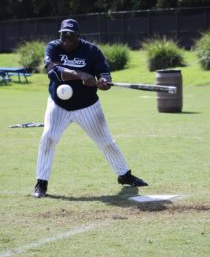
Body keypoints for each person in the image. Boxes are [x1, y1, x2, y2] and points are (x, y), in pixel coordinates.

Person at [33, 19, 148, 198]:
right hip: (58, 105)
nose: (67, 39)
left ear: (78, 36)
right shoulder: (53, 47)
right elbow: (53, 72)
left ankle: (124, 176)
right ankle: (41, 184)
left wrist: (104, 82)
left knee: (107, 143)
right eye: (63, 35)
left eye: (71, 36)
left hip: (87, 106)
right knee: (48, 138)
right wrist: (81, 75)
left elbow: (105, 74)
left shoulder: (92, 51)